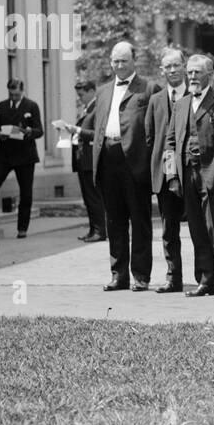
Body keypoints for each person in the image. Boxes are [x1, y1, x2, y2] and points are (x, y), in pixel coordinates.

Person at [93, 41, 158, 291]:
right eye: (115, 60)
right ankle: (118, 275)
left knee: (140, 220)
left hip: (135, 162)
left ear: (134, 61)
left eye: (124, 60)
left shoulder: (149, 88)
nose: (118, 65)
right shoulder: (103, 91)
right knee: (114, 220)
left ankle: (141, 275)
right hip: (107, 160)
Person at [167, 54, 214, 297]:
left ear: (209, 75)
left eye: (197, 72)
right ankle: (204, 280)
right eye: (190, 72)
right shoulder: (181, 104)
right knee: (195, 229)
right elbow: (169, 142)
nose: (192, 76)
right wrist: (172, 176)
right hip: (186, 174)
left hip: (211, 175)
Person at [145, 48, 188, 293]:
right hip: (165, 176)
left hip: (192, 174)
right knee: (169, 231)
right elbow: (151, 138)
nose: (172, 70)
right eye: (167, 67)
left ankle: (207, 277)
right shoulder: (156, 100)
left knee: (204, 229)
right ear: (162, 70)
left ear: (183, 66)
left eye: (176, 65)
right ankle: (174, 277)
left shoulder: (195, 96)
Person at [0, 78, 42, 239]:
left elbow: (39, 130)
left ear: (22, 92)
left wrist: (28, 131)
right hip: (5, 154)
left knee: (26, 193)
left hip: (25, 155)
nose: (13, 98)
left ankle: (22, 228)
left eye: (16, 95)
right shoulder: (2, 106)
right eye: (11, 95)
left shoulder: (31, 106)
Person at [65, 79, 105, 242]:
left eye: (81, 95)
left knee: (94, 197)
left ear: (91, 91)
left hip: (91, 160)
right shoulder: (86, 109)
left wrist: (78, 130)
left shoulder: (98, 109)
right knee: (88, 198)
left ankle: (100, 230)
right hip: (82, 160)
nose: (79, 98)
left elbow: (98, 134)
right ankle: (92, 229)